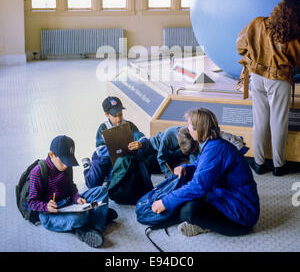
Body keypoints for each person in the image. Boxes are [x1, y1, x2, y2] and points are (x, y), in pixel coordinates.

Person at [151, 108, 260, 237]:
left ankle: (205, 226)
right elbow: (200, 165)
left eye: (189, 125)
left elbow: (198, 187)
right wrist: (186, 168)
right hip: (231, 199)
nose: (187, 128)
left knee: (187, 211)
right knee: (185, 195)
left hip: (242, 219)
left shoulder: (215, 149)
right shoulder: (213, 144)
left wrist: (165, 202)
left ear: (199, 129)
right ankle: (208, 221)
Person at [236, 0, 300, 176]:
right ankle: (279, 166)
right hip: (279, 79)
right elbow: (297, 61)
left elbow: (240, 45)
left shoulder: (257, 23)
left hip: (257, 76)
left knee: (260, 121)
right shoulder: (293, 36)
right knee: (279, 122)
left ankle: (258, 163)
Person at [27, 135, 117, 248]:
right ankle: (92, 220)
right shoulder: (38, 172)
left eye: (68, 161)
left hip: (70, 203)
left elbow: (71, 187)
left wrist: (77, 197)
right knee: (78, 218)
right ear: (51, 155)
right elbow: (31, 202)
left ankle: (95, 228)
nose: (66, 166)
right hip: (52, 213)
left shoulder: (67, 166)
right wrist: (46, 206)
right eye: (63, 161)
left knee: (102, 191)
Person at [82, 96, 156, 188]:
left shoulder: (129, 125)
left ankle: (107, 175)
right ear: (106, 114)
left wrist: (140, 143)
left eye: (120, 114)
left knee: (118, 180)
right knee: (92, 184)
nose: (118, 119)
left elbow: (142, 137)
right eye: (115, 116)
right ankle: (87, 166)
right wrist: (117, 148)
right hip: (104, 158)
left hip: (120, 158)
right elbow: (100, 150)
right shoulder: (103, 128)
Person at [129, 126, 199, 176]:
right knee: (144, 166)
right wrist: (171, 175)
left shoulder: (193, 140)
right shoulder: (170, 134)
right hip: (155, 150)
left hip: (172, 156)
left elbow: (194, 162)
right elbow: (161, 159)